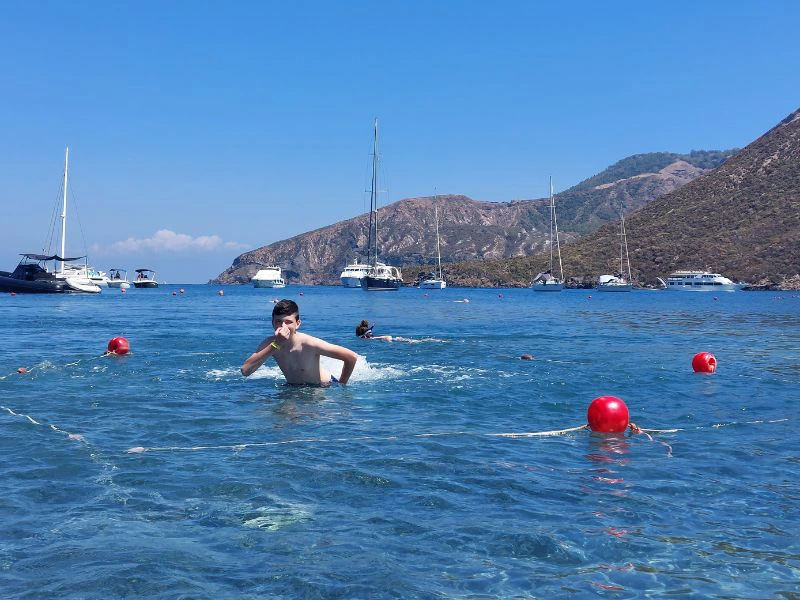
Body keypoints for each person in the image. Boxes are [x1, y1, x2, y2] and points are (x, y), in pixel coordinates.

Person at [241, 299, 357, 385]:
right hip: (293, 388)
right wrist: (276, 345)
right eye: (278, 321)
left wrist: (342, 385)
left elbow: (351, 357)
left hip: (323, 387)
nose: (283, 326)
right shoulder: (270, 343)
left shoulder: (309, 343)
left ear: (298, 324)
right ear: (272, 323)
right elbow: (245, 371)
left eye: (288, 322)